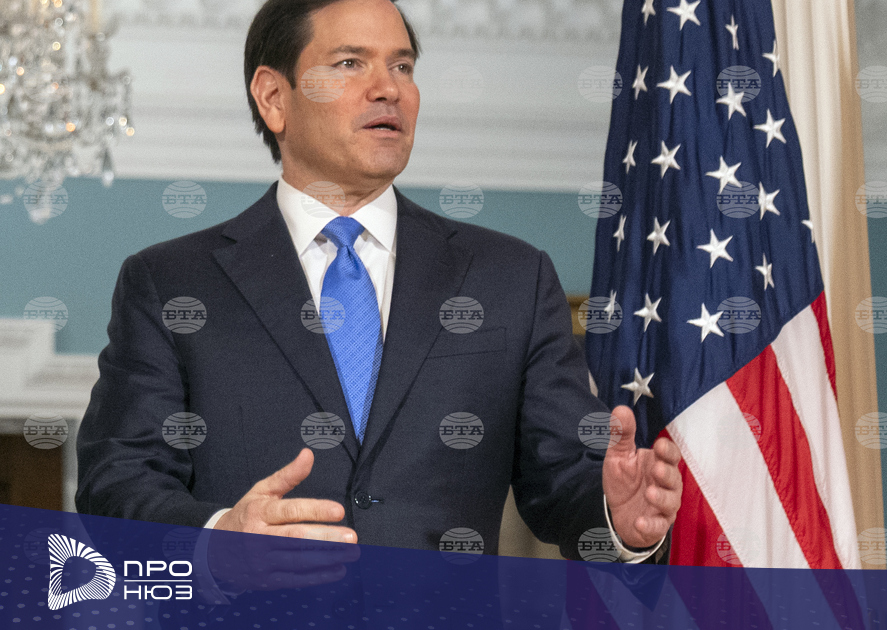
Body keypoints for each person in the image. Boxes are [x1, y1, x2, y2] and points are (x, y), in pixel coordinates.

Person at [75, 0, 682, 564]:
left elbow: (566, 479)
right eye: (350, 63)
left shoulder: (510, 280)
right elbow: (116, 484)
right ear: (274, 98)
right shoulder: (170, 282)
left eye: (402, 66)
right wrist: (219, 537)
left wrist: (617, 517)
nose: (388, 88)